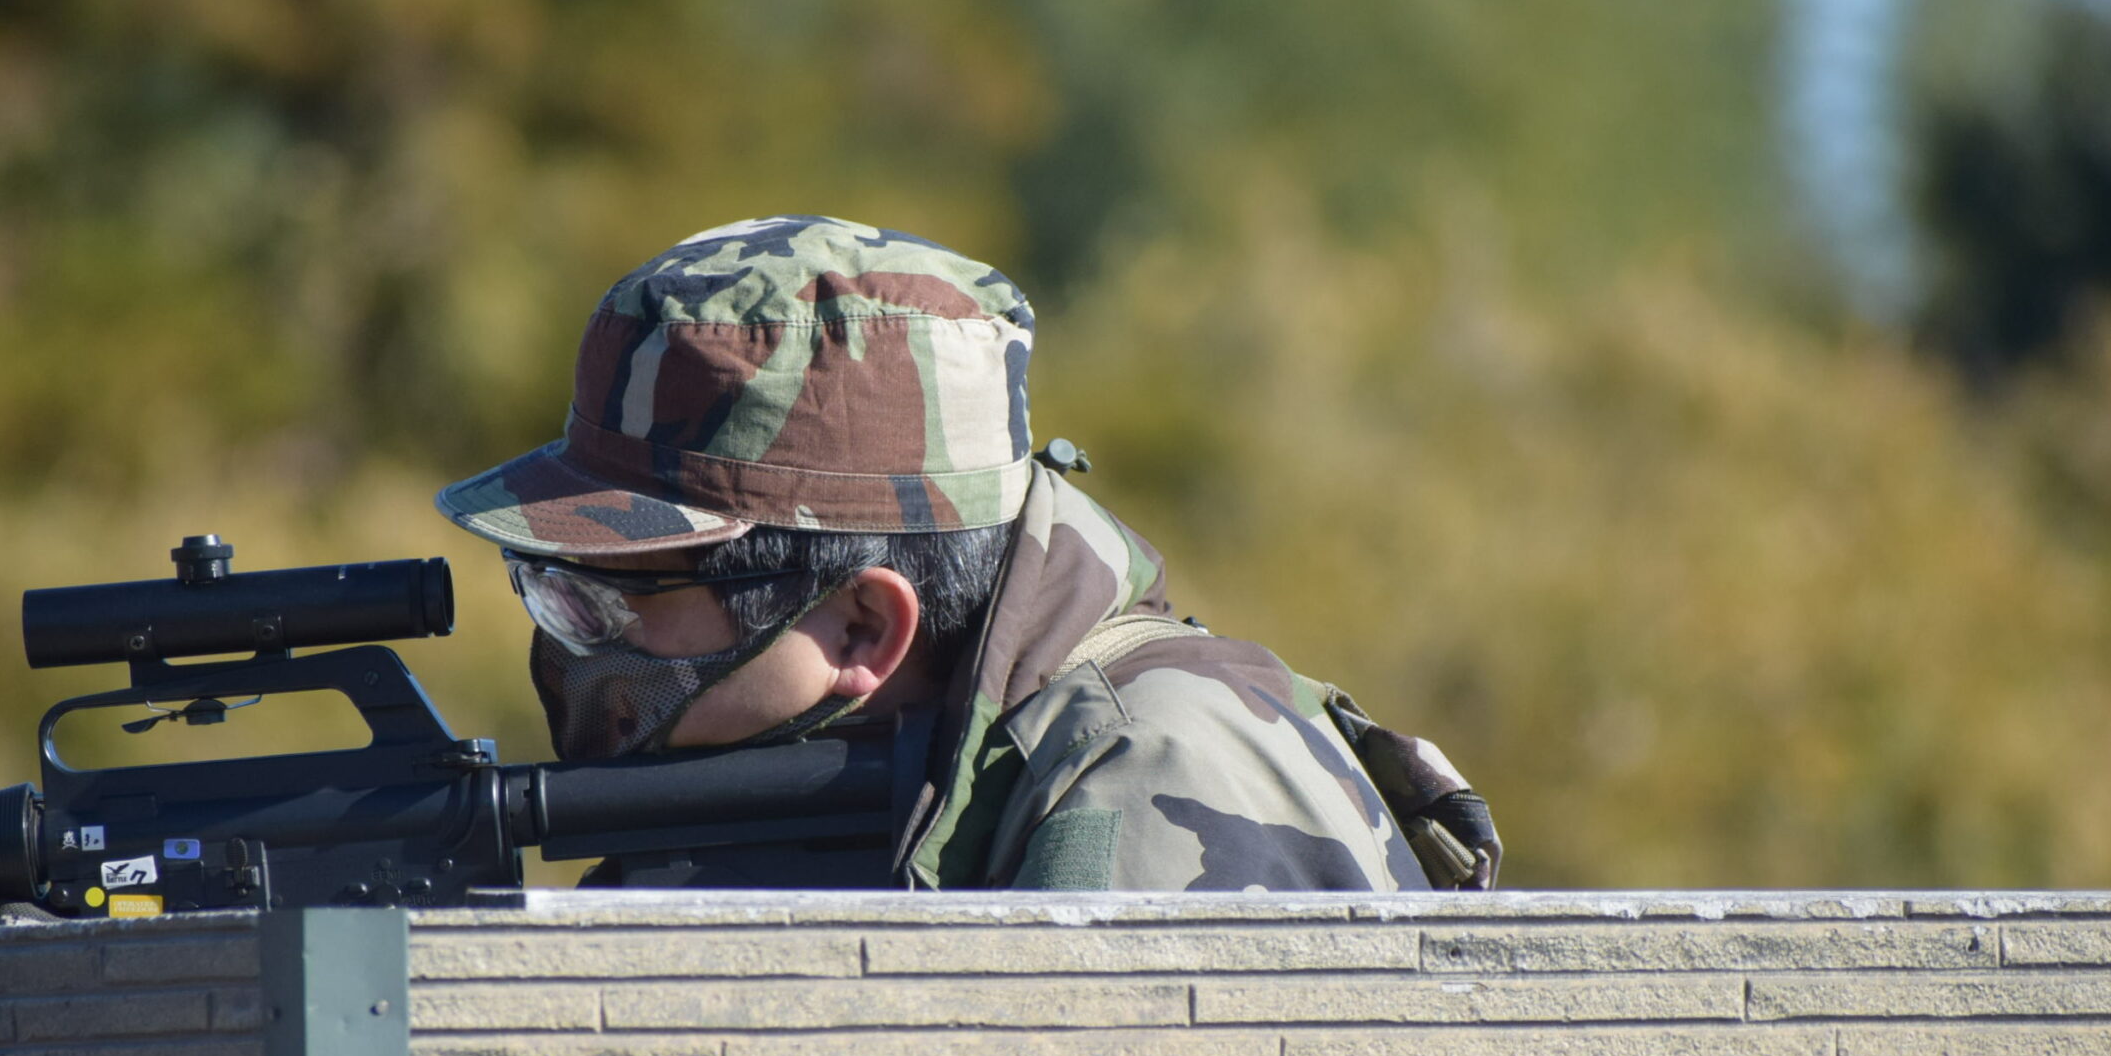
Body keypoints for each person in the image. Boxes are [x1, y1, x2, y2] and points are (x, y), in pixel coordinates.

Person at [435, 214, 1499, 892]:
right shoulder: (887, 776)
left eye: (609, 604)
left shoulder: (1150, 774)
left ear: (864, 627)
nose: (572, 648)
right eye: (548, 587)